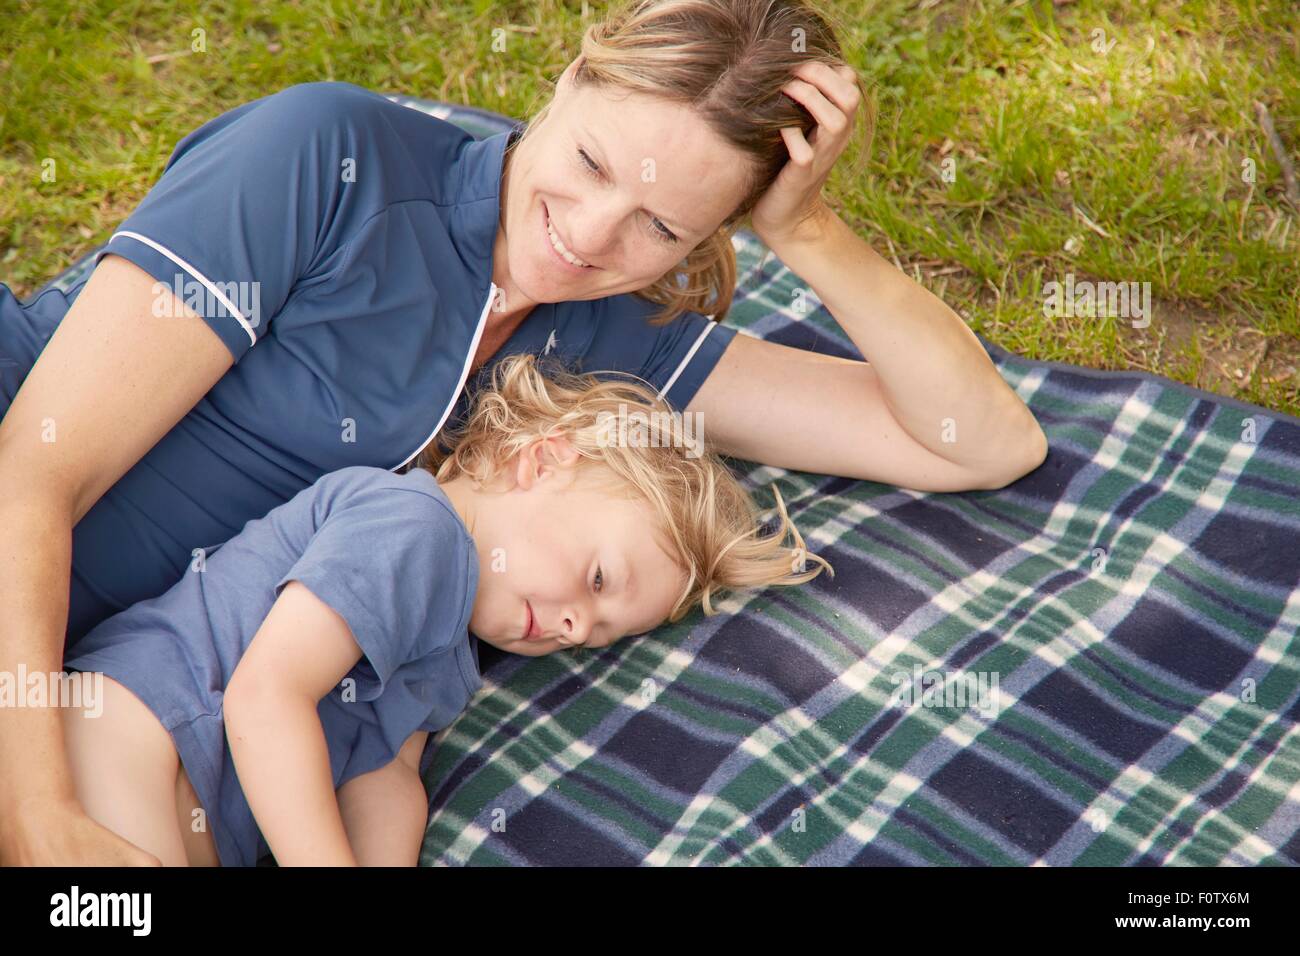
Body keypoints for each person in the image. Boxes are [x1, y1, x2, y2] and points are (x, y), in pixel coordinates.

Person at [0, 0, 1045, 865]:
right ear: (566, 79)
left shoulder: (612, 343)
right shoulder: (329, 159)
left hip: (117, 689)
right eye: (591, 162)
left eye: (661, 226)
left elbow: (981, 441)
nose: (589, 238)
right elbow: (32, 475)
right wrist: (42, 809)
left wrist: (805, 229)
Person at [58, 352, 831, 865]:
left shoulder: (451, 663)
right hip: (126, 735)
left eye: (598, 633)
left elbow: (384, 781)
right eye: (597, 581)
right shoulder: (412, 527)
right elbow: (266, 697)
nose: (574, 626)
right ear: (540, 462)